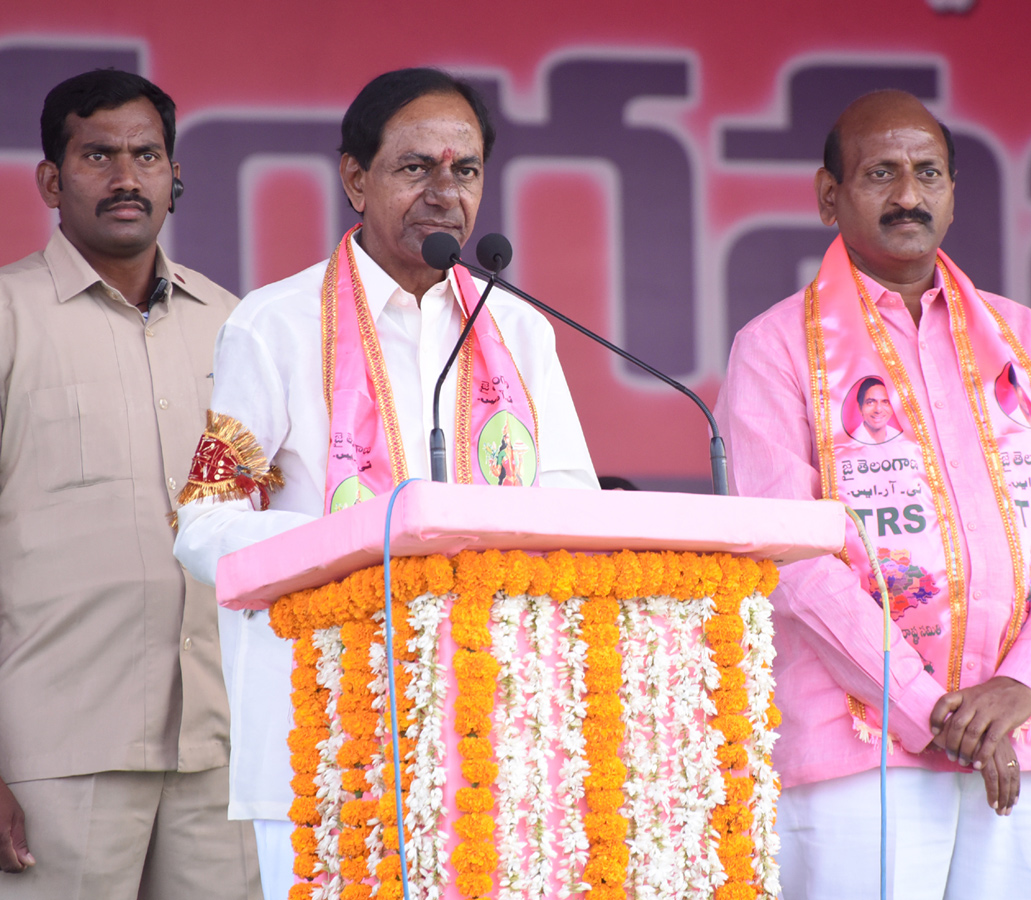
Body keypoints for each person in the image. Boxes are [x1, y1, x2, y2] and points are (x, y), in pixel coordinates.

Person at [172, 67, 597, 899]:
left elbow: (573, 506)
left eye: (464, 170)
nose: (444, 192)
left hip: (496, 726)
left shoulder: (516, 328)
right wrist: (364, 543)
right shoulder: (275, 324)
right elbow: (203, 527)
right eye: (415, 168)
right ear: (355, 179)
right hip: (329, 733)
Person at [715, 89, 1031, 898]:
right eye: (882, 174)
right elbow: (791, 559)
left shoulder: (1021, 338)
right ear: (830, 197)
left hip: (1024, 732)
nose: (908, 195)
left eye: (928, 173)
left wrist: (1019, 686)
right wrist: (934, 709)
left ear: (954, 192)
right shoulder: (775, 348)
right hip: (857, 749)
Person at [0, 70, 260, 898]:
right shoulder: (8, 318)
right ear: (51, 179)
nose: (125, 178)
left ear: (175, 177)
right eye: (97, 154)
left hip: (221, 752)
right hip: (54, 753)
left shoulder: (237, 327)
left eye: (147, 155)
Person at [850, 375, 902, 444]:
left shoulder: (901, 439)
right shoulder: (850, 445)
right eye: (870, 402)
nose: (878, 409)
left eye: (885, 402)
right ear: (860, 408)